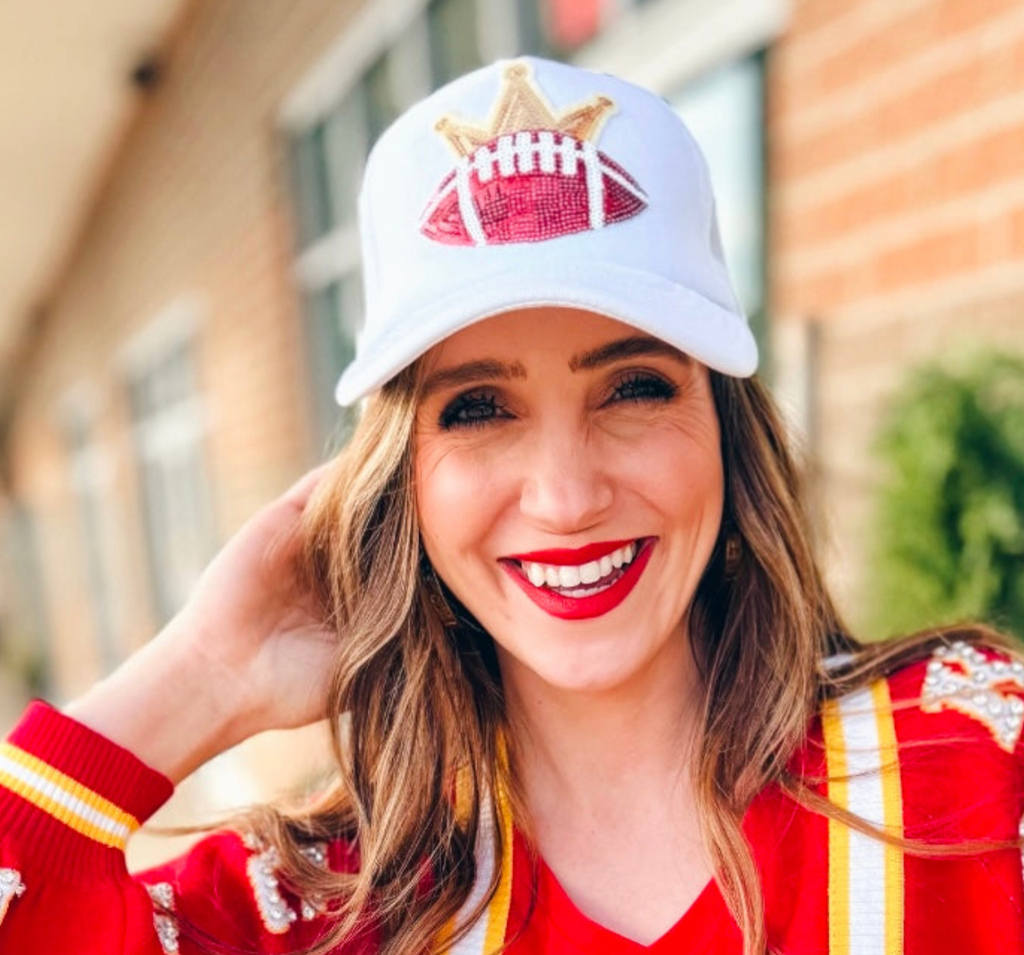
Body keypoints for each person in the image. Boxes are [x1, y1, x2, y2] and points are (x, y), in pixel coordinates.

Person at [0, 56, 1022, 955]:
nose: (567, 497)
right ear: (400, 477)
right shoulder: (316, 912)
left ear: (725, 425)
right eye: (479, 408)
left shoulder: (975, 763)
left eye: (633, 387)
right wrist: (197, 678)